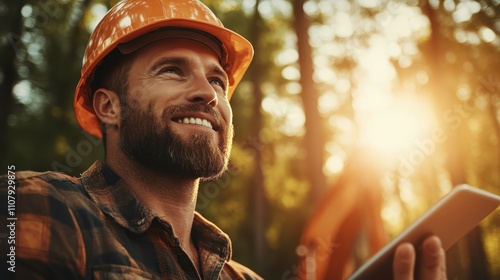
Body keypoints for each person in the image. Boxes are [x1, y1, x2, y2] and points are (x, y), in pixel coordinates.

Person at [0, 0, 446, 279]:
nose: (207, 93)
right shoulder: (34, 206)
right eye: (172, 69)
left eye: (217, 81)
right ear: (109, 107)